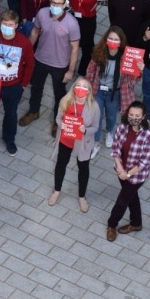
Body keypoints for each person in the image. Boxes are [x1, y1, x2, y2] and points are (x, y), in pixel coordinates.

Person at [24, 0, 80, 129]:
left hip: (60, 65)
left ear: (65, 5)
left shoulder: (72, 23)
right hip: (40, 59)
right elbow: (35, 32)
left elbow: (74, 49)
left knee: (59, 94)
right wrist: (27, 53)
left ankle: (58, 120)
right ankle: (33, 111)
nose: (56, 6)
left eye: (59, 4)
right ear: (50, 2)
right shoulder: (42, 13)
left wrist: (71, 70)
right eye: (54, 3)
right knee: (36, 87)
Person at [106, 102, 150, 241]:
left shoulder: (148, 135)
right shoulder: (121, 128)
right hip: (121, 171)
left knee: (122, 200)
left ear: (143, 117)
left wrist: (128, 174)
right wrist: (121, 169)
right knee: (131, 197)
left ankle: (111, 225)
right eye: (131, 115)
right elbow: (115, 149)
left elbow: (144, 161)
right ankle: (136, 223)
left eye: (137, 116)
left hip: (136, 176)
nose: (133, 118)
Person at [48, 77, 100, 213]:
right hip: (66, 139)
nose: (81, 89)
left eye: (85, 87)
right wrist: (61, 124)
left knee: (83, 169)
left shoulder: (94, 107)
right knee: (61, 164)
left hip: (83, 142)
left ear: (89, 91)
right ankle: (57, 190)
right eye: (79, 86)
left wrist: (86, 130)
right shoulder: (66, 101)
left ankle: (82, 197)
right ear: (74, 87)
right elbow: (58, 118)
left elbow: (95, 127)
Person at [0, 10, 35, 156]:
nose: (6, 27)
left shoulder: (24, 42)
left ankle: (9, 139)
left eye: (10, 25)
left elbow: (30, 64)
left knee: (11, 114)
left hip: (13, 86)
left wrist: (23, 85)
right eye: (4, 24)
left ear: (16, 25)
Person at [82, 26, 136, 151]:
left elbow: (133, 81)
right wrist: (87, 89)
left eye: (116, 39)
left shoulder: (126, 58)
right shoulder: (99, 53)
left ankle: (109, 133)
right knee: (97, 116)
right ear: (106, 39)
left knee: (111, 116)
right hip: (98, 91)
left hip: (115, 93)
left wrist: (138, 71)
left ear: (121, 42)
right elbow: (90, 71)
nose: (113, 42)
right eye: (110, 38)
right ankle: (95, 142)